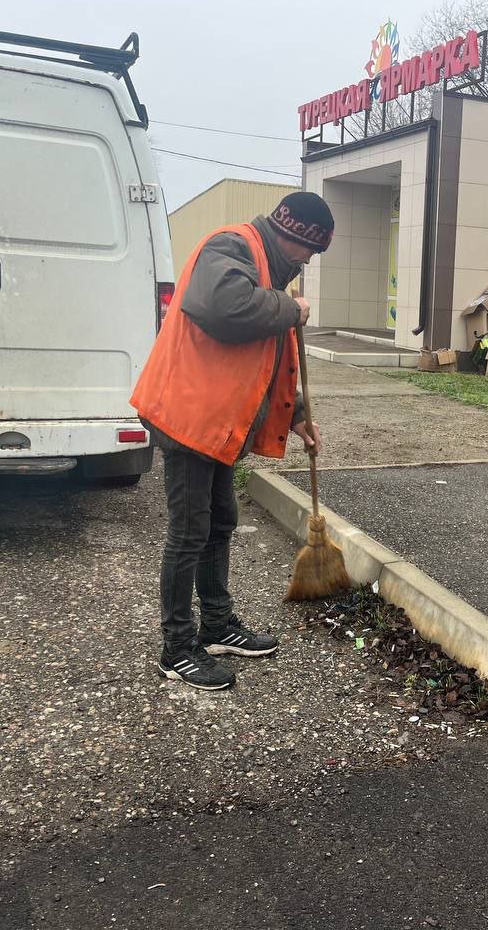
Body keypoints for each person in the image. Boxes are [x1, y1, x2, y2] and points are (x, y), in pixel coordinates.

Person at [130, 192, 333, 691]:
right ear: (294, 236)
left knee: (221, 520)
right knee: (189, 532)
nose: (308, 261)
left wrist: (296, 414)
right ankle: (177, 649)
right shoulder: (232, 246)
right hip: (187, 417)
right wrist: (291, 307)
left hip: (215, 422)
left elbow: (261, 358)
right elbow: (224, 308)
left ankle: (217, 625)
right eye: (311, 250)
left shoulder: (267, 266)